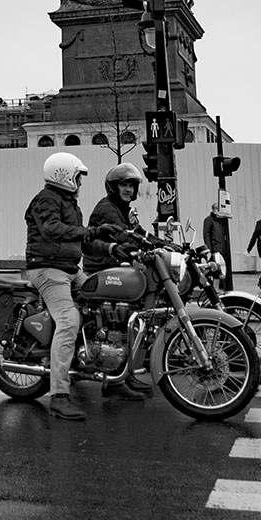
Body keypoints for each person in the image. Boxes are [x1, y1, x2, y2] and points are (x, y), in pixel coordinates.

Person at [24, 152, 130, 421]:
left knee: (108, 301)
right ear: (64, 175)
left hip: (70, 269)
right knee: (69, 319)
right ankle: (59, 396)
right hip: (48, 270)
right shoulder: (45, 199)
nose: (80, 182)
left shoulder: (71, 204)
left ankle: (114, 380)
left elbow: (83, 242)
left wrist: (113, 247)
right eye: (78, 176)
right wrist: (91, 231)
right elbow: (51, 229)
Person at [82, 163, 153, 398]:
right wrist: (142, 242)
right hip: (102, 269)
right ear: (113, 187)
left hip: (113, 267)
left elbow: (138, 233)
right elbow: (124, 236)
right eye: (124, 184)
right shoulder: (108, 209)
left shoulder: (122, 208)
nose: (129, 190)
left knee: (133, 320)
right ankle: (114, 382)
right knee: (119, 323)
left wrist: (165, 245)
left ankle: (127, 373)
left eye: (132, 186)